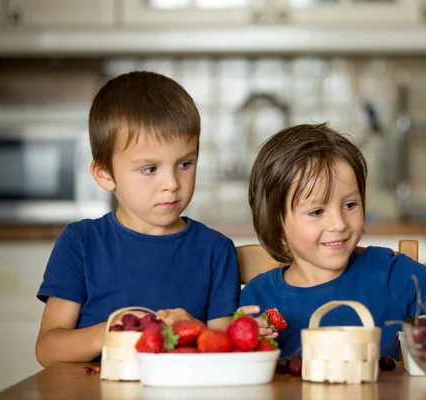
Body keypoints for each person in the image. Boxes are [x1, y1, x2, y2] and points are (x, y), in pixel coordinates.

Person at [239, 123, 426, 357]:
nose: (339, 224)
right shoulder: (257, 298)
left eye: (350, 205)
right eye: (317, 211)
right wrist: (243, 336)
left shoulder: (388, 273)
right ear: (277, 224)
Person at [35, 71, 266, 368]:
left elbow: (224, 347)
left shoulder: (216, 250)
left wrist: (193, 328)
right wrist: (110, 334)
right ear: (105, 174)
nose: (171, 182)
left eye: (185, 163)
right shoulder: (81, 243)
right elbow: (47, 349)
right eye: (149, 169)